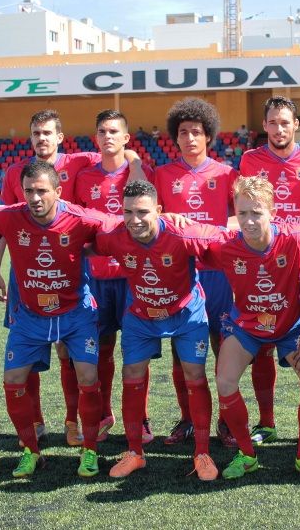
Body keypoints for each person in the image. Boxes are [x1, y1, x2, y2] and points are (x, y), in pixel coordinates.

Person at [0, 109, 142, 449]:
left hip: (70, 267)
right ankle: (35, 421)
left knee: (68, 350)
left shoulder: (79, 162)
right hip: (26, 274)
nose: (41, 138)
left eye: (47, 132)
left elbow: (119, 149)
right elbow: (0, 224)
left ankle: (72, 421)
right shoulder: (15, 172)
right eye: (36, 133)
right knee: (27, 351)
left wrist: (134, 163)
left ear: (60, 137)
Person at [0, 160, 116, 479]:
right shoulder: (11, 215)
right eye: (29, 191)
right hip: (31, 315)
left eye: (41, 191)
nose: (35, 198)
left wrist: (166, 220)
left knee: (88, 377)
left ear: (58, 191)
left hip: (75, 314)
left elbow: (124, 224)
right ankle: (31, 451)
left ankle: (90, 450)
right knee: (13, 380)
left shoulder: (80, 218)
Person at [91, 179, 226, 481]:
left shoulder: (183, 233)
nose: (134, 220)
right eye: (128, 212)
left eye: (142, 212)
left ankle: (202, 453)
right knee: (131, 374)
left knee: (195, 374)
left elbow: (225, 238)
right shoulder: (114, 236)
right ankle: (135, 453)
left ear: (159, 210)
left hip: (186, 313)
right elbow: (82, 245)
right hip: (142, 315)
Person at [201, 176, 300, 481]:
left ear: (272, 212)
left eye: (256, 213)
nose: (248, 221)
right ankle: (247, 456)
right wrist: (168, 219)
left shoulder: (298, 238)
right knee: (225, 381)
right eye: (242, 213)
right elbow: (186, 240)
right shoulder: (226, 246)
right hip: (246, 325)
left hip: (291, 326)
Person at [238, 95, 300, 447]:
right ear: (264, 125)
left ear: (296, 125)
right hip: (262, 265)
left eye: (285, 122)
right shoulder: (250, 160)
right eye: (273, 123)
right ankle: (267, 423)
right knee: (262, 345)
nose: (279, 129)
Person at [150, 97, 238, 447]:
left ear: (208, 136)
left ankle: (226, 421)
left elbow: (241, 218)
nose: (190, 138)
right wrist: (165, 218)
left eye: (196, 132)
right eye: (184, 132)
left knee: (222, 345)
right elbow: (151, 218)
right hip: (179, 272)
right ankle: (187, 418)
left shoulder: (227, 174)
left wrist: (216, 229)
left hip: (217, 271)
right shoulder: (162, 175)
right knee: (180, 347)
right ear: (176, 136)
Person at [73, 109, 153, 444]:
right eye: (103, 131)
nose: (108, 137)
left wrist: (135, 164)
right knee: (102, 348)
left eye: (114, 131)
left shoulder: (140, 175)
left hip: (134, 276)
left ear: (126, 138)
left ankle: (140, 419)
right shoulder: (83, 178)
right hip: (96, 277)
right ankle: (105, 414)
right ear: (96, 138)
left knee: (138, 352)